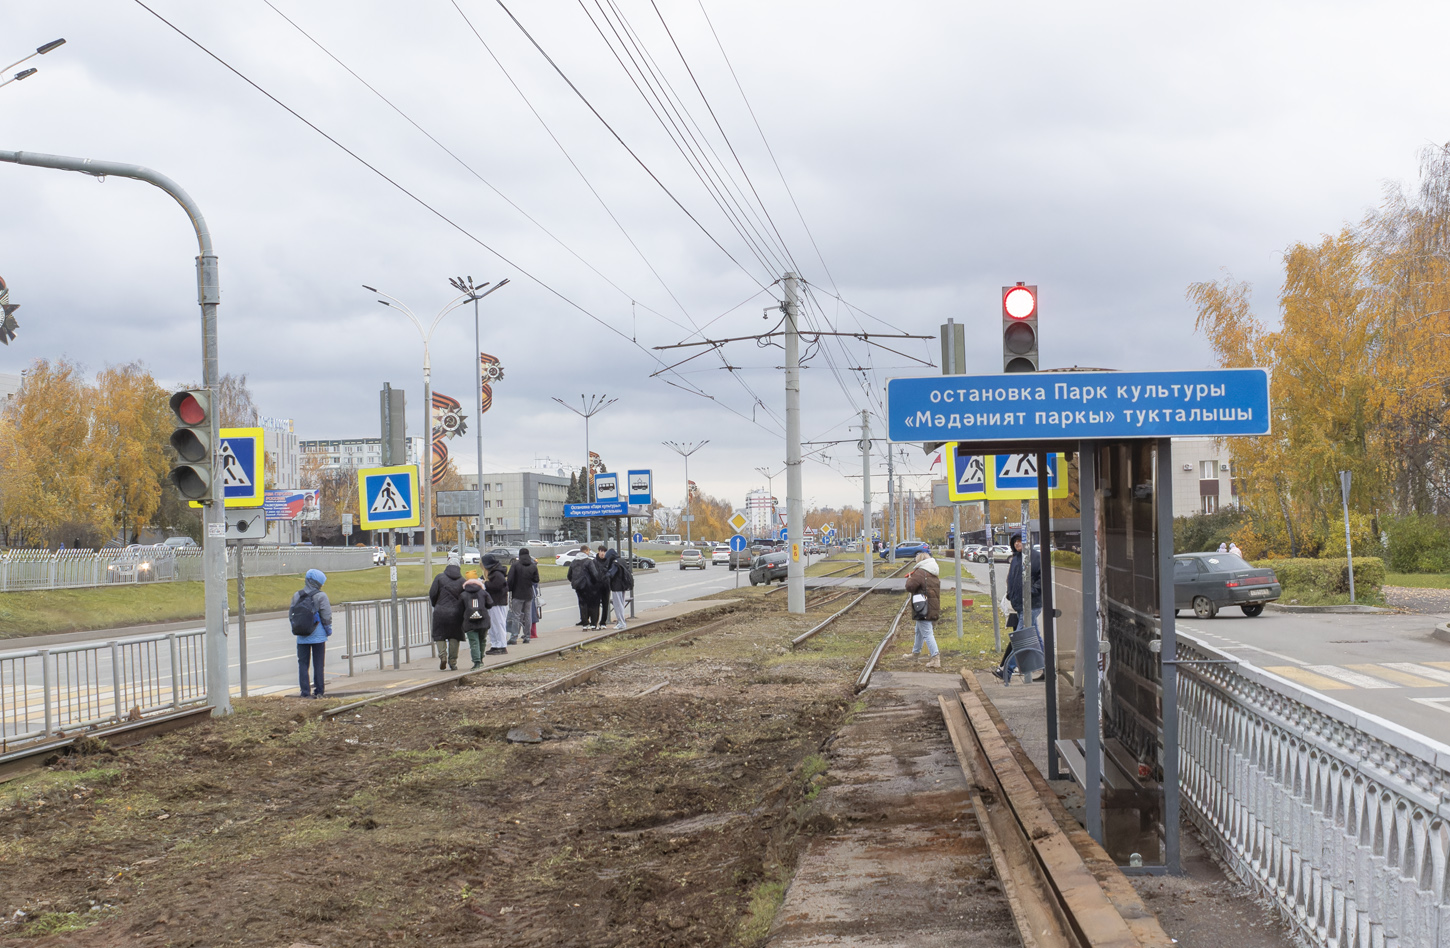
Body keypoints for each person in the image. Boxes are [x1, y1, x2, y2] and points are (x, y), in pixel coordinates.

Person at [290, 568, 333, 698]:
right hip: (318, 636)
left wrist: (297, 628)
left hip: (302, 636)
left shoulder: (297, 595)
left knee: (303, 664)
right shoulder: (321, 596)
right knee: (318, 664)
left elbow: (291, 615)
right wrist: (328, 630)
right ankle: (319, 691)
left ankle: (305, 692)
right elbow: (326, 616)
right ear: (318, 582)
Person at [902, 550, 942, 668]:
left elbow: (910, 587)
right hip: (932, 605)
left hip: (923, 607)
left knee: (927, 633)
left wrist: (910, 578)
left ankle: (935, 658)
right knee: (919, 631)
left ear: (920, 561)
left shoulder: (920, 572)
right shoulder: (933, 571)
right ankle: (915, 653)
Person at [429, 556, 466, 670]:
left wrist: (437, 605)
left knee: (439, 635)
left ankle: (442, 656)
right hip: (456, 613)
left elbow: (433, 593)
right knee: (454, 636)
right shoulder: (462, 581)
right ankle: (453, 661)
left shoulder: (439, 578)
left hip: (440, 611)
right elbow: (465, 597)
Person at [505, 547, 540, 645]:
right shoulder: (533, 566)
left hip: (517, 593)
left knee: (516, 616)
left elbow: (510, 579)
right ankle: (527, 636)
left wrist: (510, 589)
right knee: (527, 615)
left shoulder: (515, 565)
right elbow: (536, 579)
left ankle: (514, 637)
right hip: (528, 593)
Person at [460, 572, 493, 670]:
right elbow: (490, 604)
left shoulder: (463, 594)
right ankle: (481, 659)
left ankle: (476, 662)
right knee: (482, 640)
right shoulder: (483, 592)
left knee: (473, 642)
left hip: (469, 622)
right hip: (483, 621)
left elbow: (459, 608)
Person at [481, 554, 510, 654]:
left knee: (498, 624)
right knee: (493, 625)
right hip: (493, 602)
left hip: (497, 602)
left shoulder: (497, 573)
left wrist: (485, 584)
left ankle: (501, 645)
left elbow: (498, 585)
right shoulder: (494, 572)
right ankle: (495, 644)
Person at [605, 548, 634, 631]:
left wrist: (603, 575)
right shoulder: (622, 561)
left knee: (618, 605)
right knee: (621, 604)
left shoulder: (615, 563)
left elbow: (610, 574)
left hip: (616, 586)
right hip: (623, 586)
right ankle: (621, 622)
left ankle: (621, 622)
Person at [568, 553, 594, 628]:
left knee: (582, 603)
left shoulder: (573, 562)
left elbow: (569, 575)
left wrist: (574, 581)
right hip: (588, 585)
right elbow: (593, 573)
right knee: (589, 603)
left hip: (577, 586)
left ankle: (584, 621)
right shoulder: (589, 562)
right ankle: (590, 620)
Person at [594, 545, 613, 627]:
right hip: (596, 586)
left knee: (605, 604)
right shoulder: (594, 561)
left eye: (604, 552)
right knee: (596, 604)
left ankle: (603, 622)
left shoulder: (608, 561)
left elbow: (611, 572)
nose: (603, 553)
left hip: (606, 586)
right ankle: (595, 622)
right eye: (601, 551)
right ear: (598, 551)